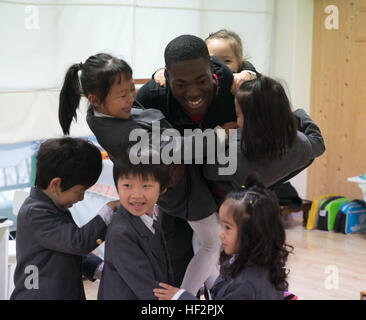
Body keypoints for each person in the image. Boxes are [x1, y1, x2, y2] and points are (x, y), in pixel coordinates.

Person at [58, 52, 222, 295]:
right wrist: (219, 136)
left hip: (177, 188)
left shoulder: (102, 112)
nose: (131, 99)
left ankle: (217, 292)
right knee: (210, 244)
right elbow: (178, 150)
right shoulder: (122, 133)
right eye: (123, 95)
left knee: (203, 243)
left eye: (132, 90)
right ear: (95, 100)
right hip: (181, 192)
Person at [136, 34, 245, 292]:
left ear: (212, 70)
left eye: (201, 80)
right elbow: (135, 145)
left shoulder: (232, 83)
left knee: (228, 261)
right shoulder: (152, 95)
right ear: (167, 78)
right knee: (176, 262)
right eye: (180, 84)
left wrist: (249, 74)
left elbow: (261, 90)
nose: (193, 92)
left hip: (224, 187)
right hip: (178, 192)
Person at [10, 137, 119, 300]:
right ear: (55, 185)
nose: (81, 198)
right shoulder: (35, 213)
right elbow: (78, 242)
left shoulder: (53, 206)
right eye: (80, 191)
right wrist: (110, 209)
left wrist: (100, 269)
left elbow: (67, 250)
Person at [153, 176, 292, 300]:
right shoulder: (248, 263)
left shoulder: (246, 284)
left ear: (253, 232)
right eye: (222, 225)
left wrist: (180, 297)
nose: (221, 233)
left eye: (228, 227)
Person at [203, 75, 326, 204]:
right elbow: (319, 144)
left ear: (252, 120)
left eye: (238, 114)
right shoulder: (300, 143)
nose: (237, 121)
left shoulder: (236, 153)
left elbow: (208, 171)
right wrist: (297, 112)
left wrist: (220, 135)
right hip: (264, 187)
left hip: (229, 199)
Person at [97, 147, 174, 299]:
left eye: (146, 186)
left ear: (163, 188)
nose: (136, 195)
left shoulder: (151, 219)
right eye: (127, 185)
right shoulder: (122, 232)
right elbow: (148, 290)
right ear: (117, 186)